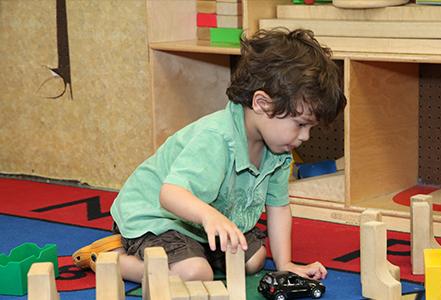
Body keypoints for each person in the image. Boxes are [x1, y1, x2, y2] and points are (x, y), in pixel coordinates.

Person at [72, 27, 346, 283]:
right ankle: (112, 261)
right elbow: (170, 195)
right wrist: (209, 217)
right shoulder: (216, 138)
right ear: (262, 104)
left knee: (253, 260)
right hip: (156, 217)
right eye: (300, 124)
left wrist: (285, 264)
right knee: (195, 273)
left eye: (310, 127)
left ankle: (195, 247)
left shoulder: (279, 150)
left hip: (204, 220)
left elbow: (278, 207)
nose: (305, 137)